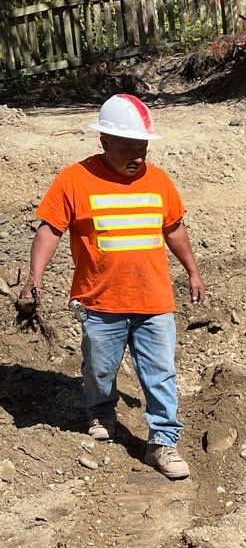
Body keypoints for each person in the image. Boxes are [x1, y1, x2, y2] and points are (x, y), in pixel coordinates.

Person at [20, 94, 205, 480]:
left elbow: (173, 228)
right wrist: (34, 278)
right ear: (103, 141)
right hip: (100, 301)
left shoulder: (159, 181)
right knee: (100, 369)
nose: (137, 156)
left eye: (143, 148)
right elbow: (51, 228)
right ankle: (100, 411)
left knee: (160, 372)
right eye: (127, 148)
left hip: (154, 299)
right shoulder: (74, 179)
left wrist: (192, 270)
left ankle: (163, 440)